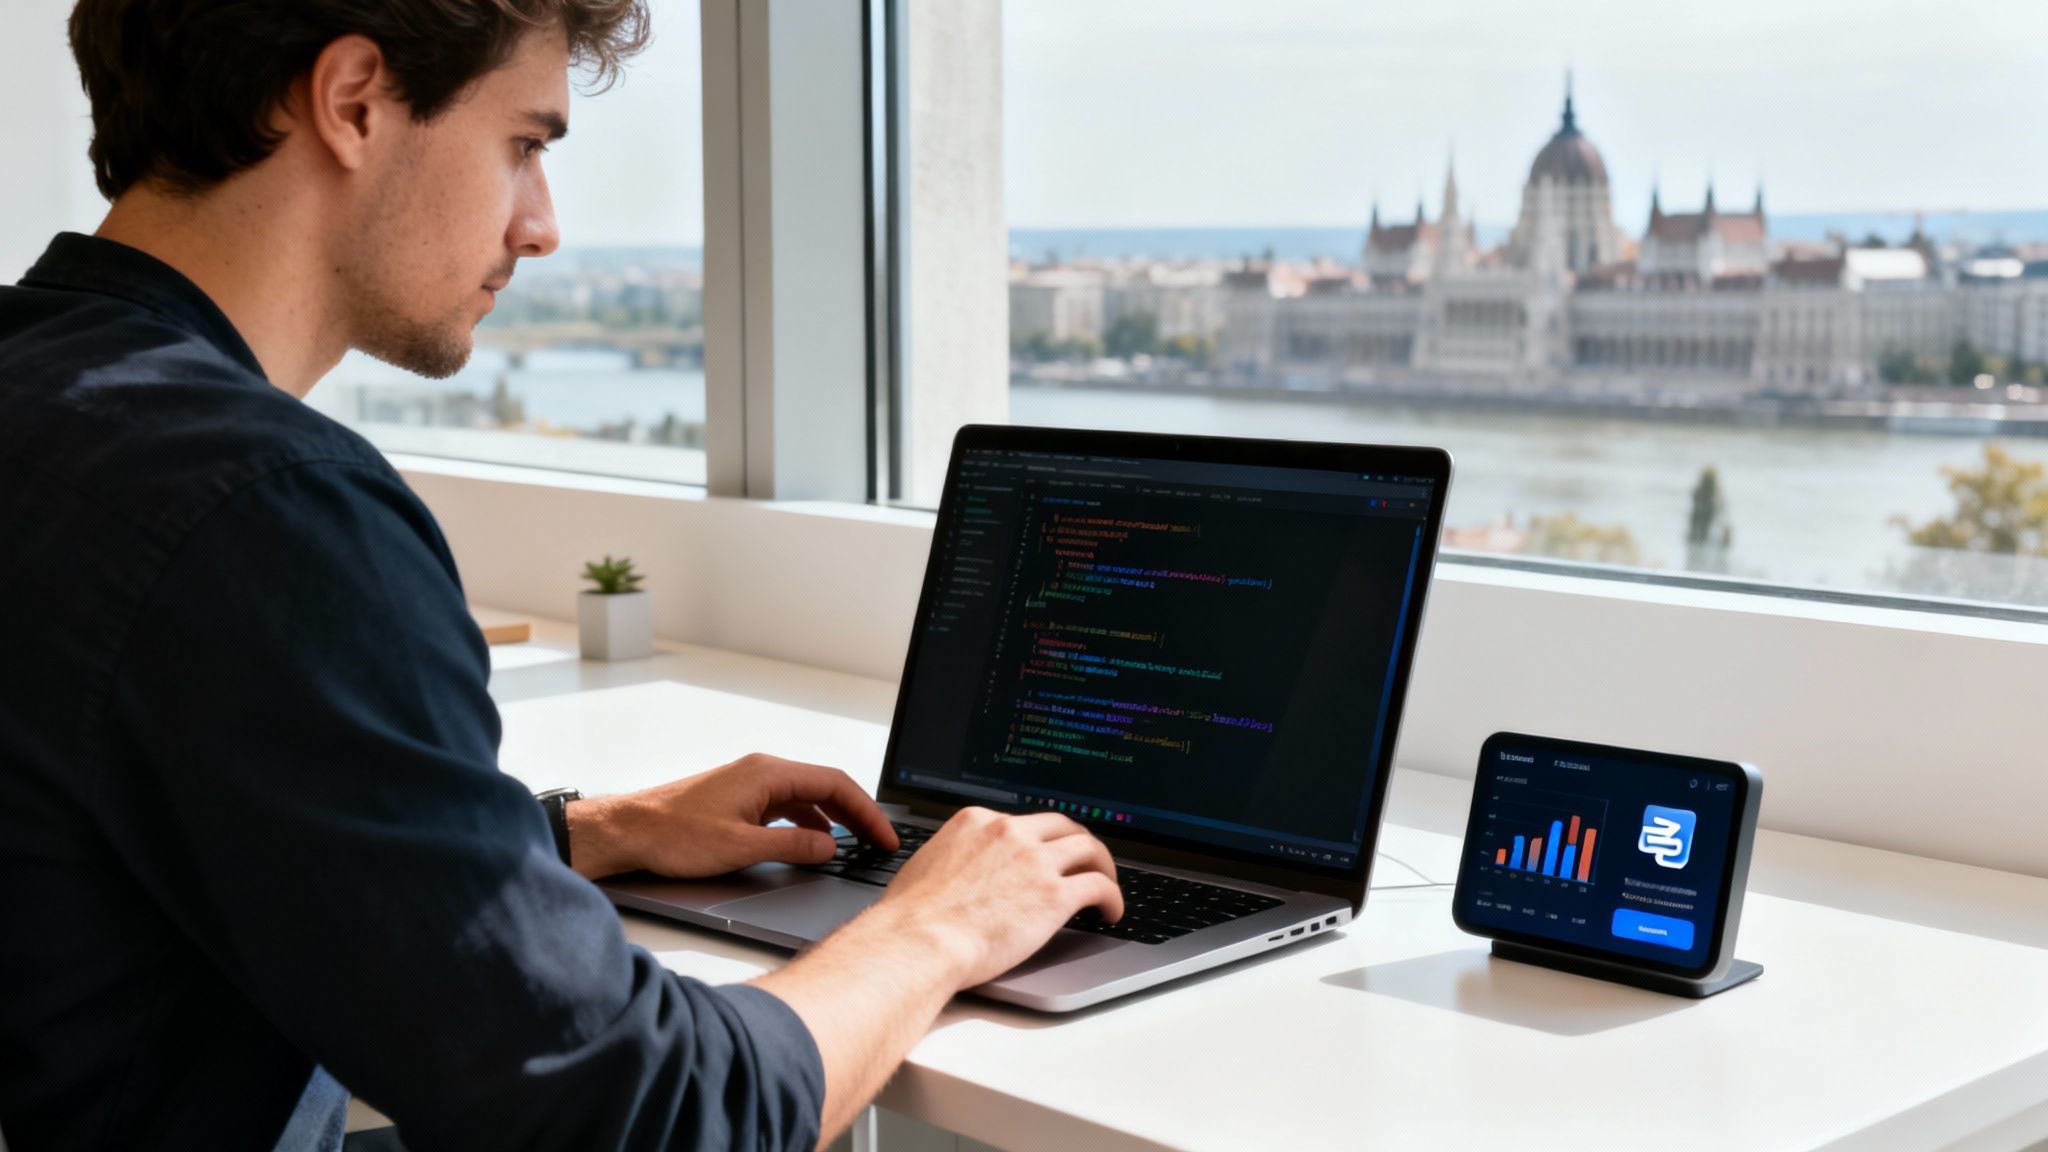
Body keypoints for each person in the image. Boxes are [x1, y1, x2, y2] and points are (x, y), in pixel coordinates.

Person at [0, 2, 1123, 1149]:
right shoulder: (261, 510)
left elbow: (161, 826)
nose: (540, 228)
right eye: (523, 146)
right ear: (352, 103)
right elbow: (636, 1116)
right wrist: (936, 927)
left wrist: (585, 832)